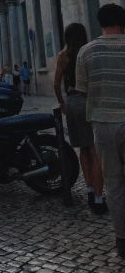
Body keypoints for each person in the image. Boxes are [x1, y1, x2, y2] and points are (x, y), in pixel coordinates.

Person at [76, 3, 125, 258]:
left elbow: (82, 90)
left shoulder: (86, 51)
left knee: (114, 184)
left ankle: (122, 239)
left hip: (103, 125)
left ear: (100, 23)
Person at [54, 23, 105, 215]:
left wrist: (62, 104)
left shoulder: (63, 56)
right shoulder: (88, 52)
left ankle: (90, 189)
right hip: (88, 100)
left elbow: (56, 84)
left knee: (83, 148)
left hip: (72, 102)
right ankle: (99, 199)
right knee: (95, 150)